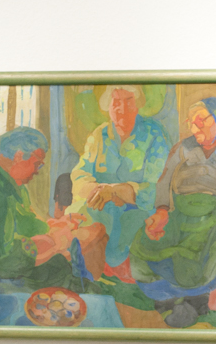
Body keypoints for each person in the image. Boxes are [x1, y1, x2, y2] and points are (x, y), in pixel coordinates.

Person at [127, 97, 216, 326]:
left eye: (201, 121)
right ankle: (165, 299)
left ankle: (195, 301)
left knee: (196, 249)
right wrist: (162, 210)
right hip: (182, 209)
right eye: (191, 123)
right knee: (146, 242)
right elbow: (165, 177)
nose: (195, 129)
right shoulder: (184, 146)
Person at [0, 127, 105, 287]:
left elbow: (25, 222)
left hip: (0, 267)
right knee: (68, 274)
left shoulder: (8, 180)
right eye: (37, 164)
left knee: (68, 267)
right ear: (18, 156)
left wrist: (54, 225)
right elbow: (1, 260)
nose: (37, 171)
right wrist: (53, 242)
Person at [70, 85, 170, 275]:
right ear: (108, 105)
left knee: (131, 251)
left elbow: (157, 186)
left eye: (128, 101)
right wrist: (99, 190)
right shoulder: (99, 135)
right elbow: (79, 175)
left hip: (137, 210)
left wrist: (117, 191)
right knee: (77, 229)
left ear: (138, 104)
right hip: (100, 207)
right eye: (116, 102)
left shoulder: (154, 134)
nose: (122, 108)